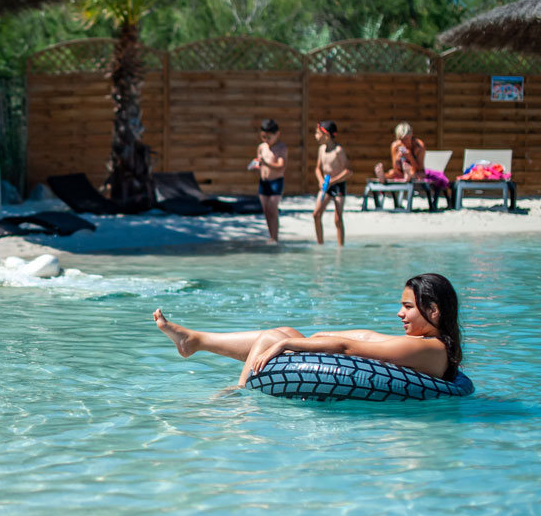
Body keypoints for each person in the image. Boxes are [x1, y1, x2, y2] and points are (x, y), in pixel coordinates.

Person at [152, 272, 462, 388]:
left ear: (433, 311)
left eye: (407, 307)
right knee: (287, 331)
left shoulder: (429, 348)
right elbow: (368, 337)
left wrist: (289, 347)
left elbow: (349, 349)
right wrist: (314, 338)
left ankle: (239, 394)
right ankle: (196, 341)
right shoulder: (432, 344)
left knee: (276, 338)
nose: (399, 313)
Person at [312, 120, 351, 246]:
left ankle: (341, 247)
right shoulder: (321, 149)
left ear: (326, 135)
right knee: (316, 214)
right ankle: (320, 244)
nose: (315, 136)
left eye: (318, 133)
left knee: (338, 218)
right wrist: (320, 180)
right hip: (325, 186)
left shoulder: (338, 151)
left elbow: (348, 171)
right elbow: (318, 168)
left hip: (338, 185)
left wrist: (333, 181)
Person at [249, 118, 288, 243]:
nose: (266, 140)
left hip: (276, 181)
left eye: (268, 137)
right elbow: (259, 163)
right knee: (266, 210)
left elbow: (281, 166)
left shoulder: (281, 148)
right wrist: (256, 166)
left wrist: (266, 163)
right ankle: (271, 236)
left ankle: (275, 237)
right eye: (263, 137)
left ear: (277, 134)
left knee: (272, 208)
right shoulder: (261, 147)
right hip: (264, 182)